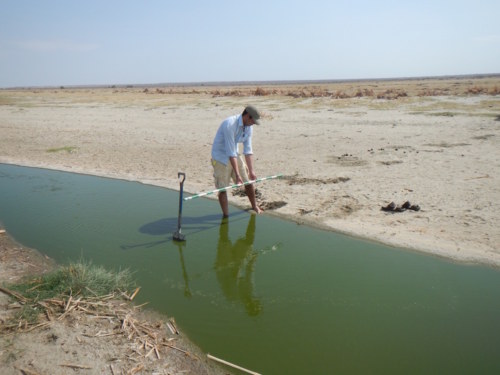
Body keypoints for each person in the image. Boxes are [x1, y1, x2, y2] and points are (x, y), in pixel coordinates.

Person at [211, 105, 263, 217]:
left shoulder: (249, 127)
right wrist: (237, 175)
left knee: (248, 181)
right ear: (247, 116)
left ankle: (254, 206)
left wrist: (252, 171)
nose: (253, 123)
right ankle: (226, 215)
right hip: (220, 157)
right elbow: (230, 152)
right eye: (253, 121)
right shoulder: (230, 124)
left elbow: (248, 150)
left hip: (234, 154)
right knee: (223, 188)